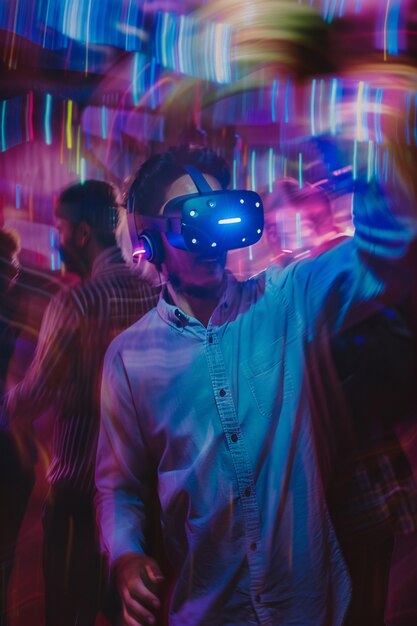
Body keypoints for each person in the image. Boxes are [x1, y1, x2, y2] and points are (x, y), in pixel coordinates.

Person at [95, 145, 416, 626]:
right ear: (152, 244)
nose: (214, 239)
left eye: (220, 214)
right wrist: (124, 555)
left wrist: (381, 136)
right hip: (209, 612)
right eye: (192, 220)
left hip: (312, 608)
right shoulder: (128, 359)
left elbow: (384, 252)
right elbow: (119, 487)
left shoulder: (285, 300)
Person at [2, 181, 160, 626]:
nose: (57, 239)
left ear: (83, 234)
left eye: (61, 228)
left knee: (67, 615)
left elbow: (34, 396)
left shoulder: (76, 302)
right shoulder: (154, 292)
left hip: (79, 501)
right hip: (143, 499)